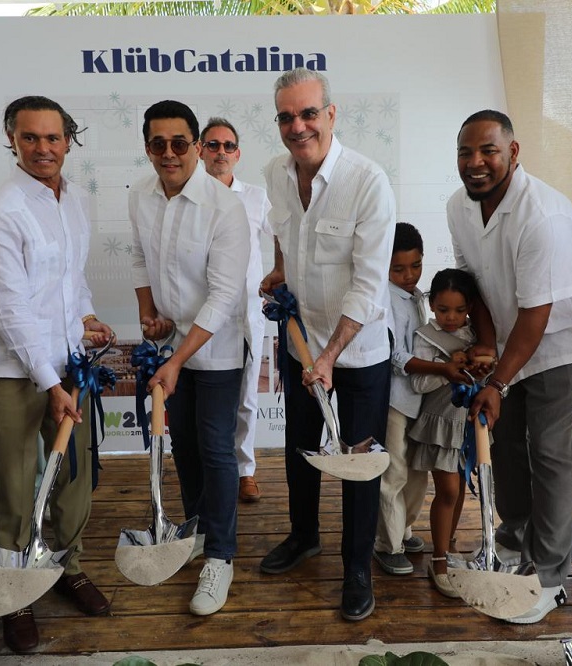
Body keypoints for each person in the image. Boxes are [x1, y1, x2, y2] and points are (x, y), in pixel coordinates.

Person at [447, 109, 572, 624]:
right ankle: (513, 543)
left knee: (553, 454)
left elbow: (538, 314)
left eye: (488, 151)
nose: (475, 162)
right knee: (507, 447)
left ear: (513, 153)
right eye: (465, 152)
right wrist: (486, 347)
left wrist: (497, 381)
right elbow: (474, 288)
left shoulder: (544, 214)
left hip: (560, 345)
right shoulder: (458, 206)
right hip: (510, 346)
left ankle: (550, 579)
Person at [0, 96, 113, 652]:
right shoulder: (0, 211)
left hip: (69, 362)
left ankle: (68, 566)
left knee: (74, 473)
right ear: (12, 140)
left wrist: (87, 318)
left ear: (68, 140)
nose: (43, 148)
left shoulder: (73, 199)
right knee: (14, 480)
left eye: (53, 137)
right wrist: (49, 383)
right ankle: (16, 591)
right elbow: (10, 308)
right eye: (30, 138)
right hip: (14, 370)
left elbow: (71, 280)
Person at [259, 67, 396, 622]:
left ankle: (357, 566)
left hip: (356, 353)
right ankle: (304, 535)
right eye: (287, 117)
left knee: (358, 463)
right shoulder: (275, 173)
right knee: (300, 446)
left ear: (331, 114)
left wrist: (331, 356)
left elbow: (368, 284)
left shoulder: (368, 181)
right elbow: (284, 233)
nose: (298, 127)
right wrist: (279, 271)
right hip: (301, 342)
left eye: (309, 114)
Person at [130, 100, 249, 616]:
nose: (169, 153)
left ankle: (221, 555)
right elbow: (140, 258)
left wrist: (176, 359)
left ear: (197, 147)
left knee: (217, 448)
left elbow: (223, 297)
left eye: (180, 143)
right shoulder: (140, 195)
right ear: (147, 148)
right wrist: (149, 312)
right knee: (184, 446)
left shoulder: (224, 207)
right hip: (170, 345)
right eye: (158, 144)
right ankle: (199, 530)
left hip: (215, 348)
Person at [198, 116, 272, 503]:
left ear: (238, 154)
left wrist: (279, 277)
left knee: (246, 395)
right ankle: (212, 470)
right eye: (213, 145)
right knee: (208, 398)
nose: (221, 152)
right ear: (200, 151)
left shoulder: (257, 197)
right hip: (202, 313)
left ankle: (245, 471)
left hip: (248, 313)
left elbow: (284, 238)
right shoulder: (189, 196)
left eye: (228, 146)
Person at [407, 267, 483, 597]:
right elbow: (418, 383)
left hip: (467, 424)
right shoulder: (425, 336)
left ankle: (448, 546)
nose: (451, 317)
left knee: (460, 487)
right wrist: (447, 370)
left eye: (459, 310)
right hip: (440, 423)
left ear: (470, 308)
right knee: (448, 490)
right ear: (431, 305)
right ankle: (438, 560)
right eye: (442, 309)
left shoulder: (476, 336)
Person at [373, 222, 431, 576]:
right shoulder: (383, 298)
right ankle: (386, 543)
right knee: (393, 473)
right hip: (394, 399)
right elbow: (394, 355)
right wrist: (439, 368)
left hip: (418, 398)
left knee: (417, 472)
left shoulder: (418, 296)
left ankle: (403, 529)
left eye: (416, 265)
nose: (409, 275)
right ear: (384, 265)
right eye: (398, 269)